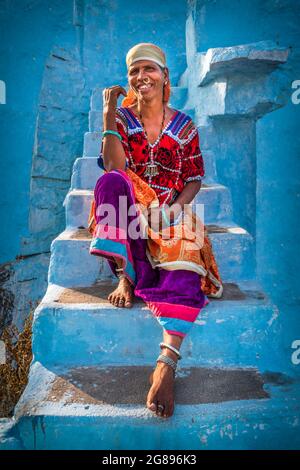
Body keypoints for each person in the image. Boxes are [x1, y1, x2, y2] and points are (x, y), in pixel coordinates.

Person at [89, 43, 222, 419]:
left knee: (187, 252)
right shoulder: (123, 121)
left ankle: (166, 361)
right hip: (131, 207)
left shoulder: (184, 126)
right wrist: (108, 114)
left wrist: (173, 211)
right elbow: (114, 167)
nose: (141, 77)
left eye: (149, 69)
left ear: (164, 76)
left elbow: (194, 178)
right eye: (134, 71)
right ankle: (126, 277)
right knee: (112, 185)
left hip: (170, 211)